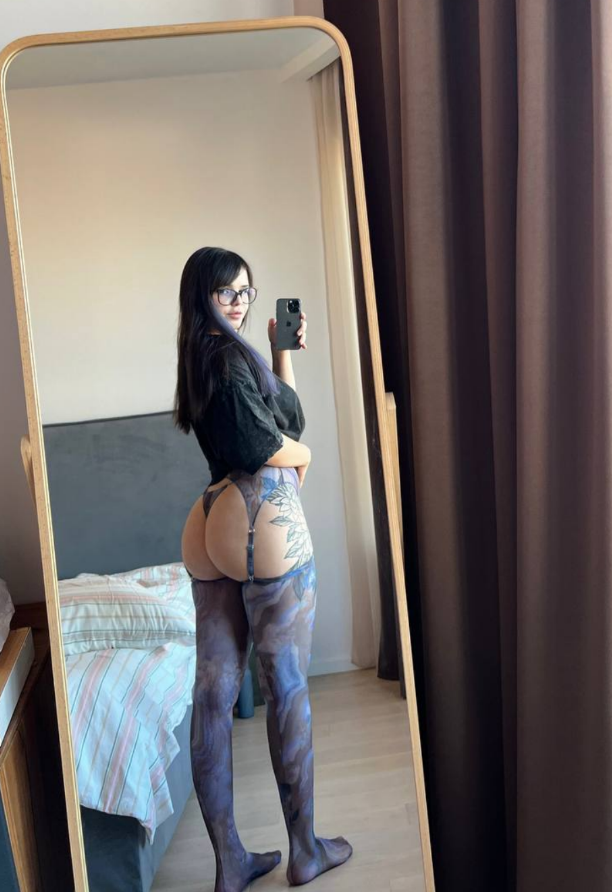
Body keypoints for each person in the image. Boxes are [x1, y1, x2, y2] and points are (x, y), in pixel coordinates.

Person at [174, 246, 353, 892]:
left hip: (211, 518)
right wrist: (305, 456)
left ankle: (231, 862)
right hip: (259, 518)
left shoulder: (202, 357)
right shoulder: (226, 357)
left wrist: (281, 355)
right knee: (287, 686)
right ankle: (304, 850)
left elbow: (282, 414)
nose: (239, 301)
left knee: (213, 693)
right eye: (226, 290)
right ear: (202, 293)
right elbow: (266, 443)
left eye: (246, 290)